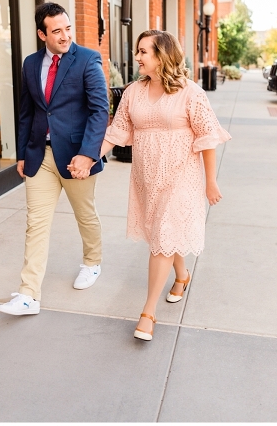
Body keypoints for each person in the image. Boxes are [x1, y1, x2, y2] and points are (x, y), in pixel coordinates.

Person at [94, 30, 230, 341]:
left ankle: (148, 313)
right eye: (138, 51)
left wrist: (211, 181)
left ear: (162, 56)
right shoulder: (133, 92)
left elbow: (207, 138)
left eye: (144, 52)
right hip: (147, 176)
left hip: (182, 175)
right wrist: (89, 159)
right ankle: (182, 276)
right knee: (162, 233)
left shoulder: (191, 93)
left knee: (164, 234)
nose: (138, 57)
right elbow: (116, 132)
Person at [0, 2, 109, 316]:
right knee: (36, 225)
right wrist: (22, 153)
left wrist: (88, 155)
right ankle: (28, 294)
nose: (64, 35)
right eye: (56, 30)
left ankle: (92, 262)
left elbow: (101, 111)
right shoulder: (31, 64)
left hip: (76, 158)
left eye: (67, 28)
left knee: (85, 215)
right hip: (39, 156)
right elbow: (26, 111)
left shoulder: (87, 59)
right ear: (41, 33)